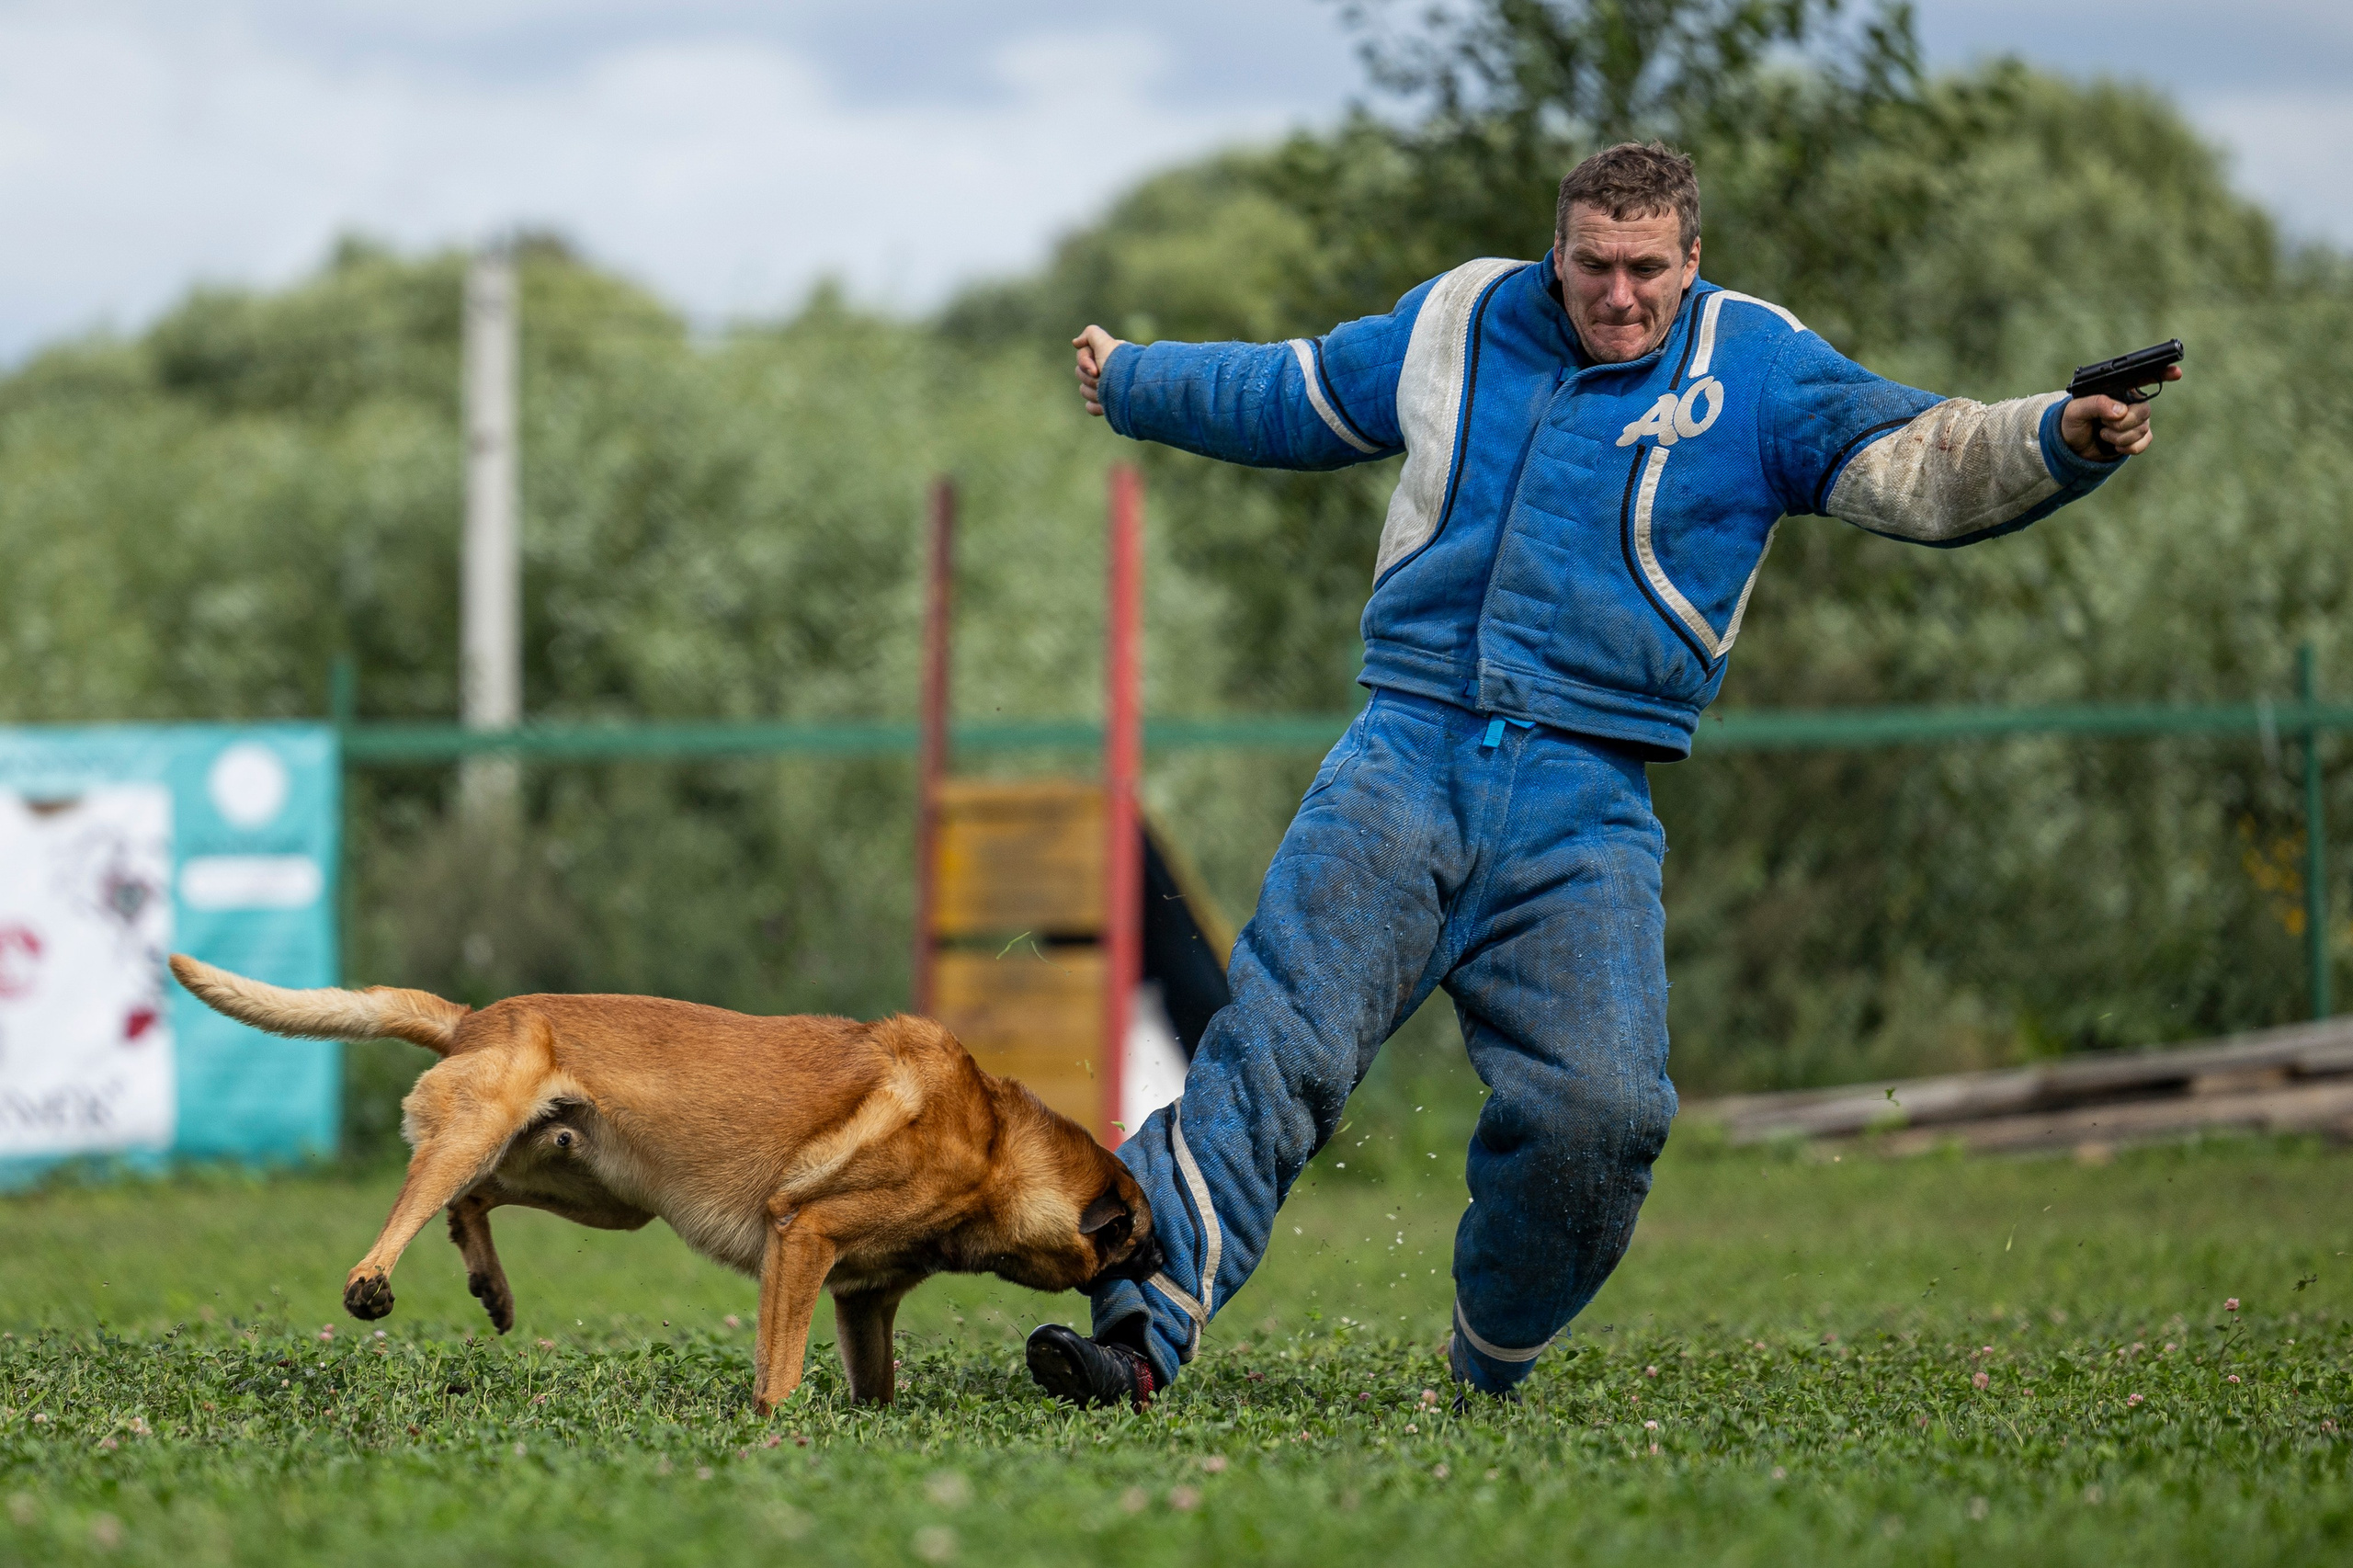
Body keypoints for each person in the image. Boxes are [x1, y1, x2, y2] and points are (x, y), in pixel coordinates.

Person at [1023, 142, 2177, 1408]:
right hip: (1403, 758)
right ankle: (1139, 1332)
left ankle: (1490, 1353)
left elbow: (1928, 457)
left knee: (1607, 1116)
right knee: (1275, 1055)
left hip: (1586, 804)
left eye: (1645, 270)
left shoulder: (1761, 367)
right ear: (1555, 250)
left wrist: (2061, 434)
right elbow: (1300, 388)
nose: (1616, 295)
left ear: (1691, 262)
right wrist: (1133, 377)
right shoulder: (1464, 316)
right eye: (1591, 266)